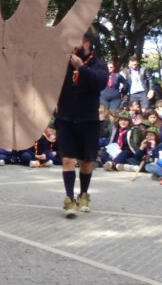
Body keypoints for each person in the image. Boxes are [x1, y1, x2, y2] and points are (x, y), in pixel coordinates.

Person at [55, 30, 109, 218]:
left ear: (86, 44)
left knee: (86, 162)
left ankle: (84, 194)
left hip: (89, 120)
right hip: (65, 118)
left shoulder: (99, 65)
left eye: (75, 40)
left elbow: (100, 83)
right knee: (68, 159)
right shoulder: (63, 62)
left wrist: (81, 68)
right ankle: (69, 198)